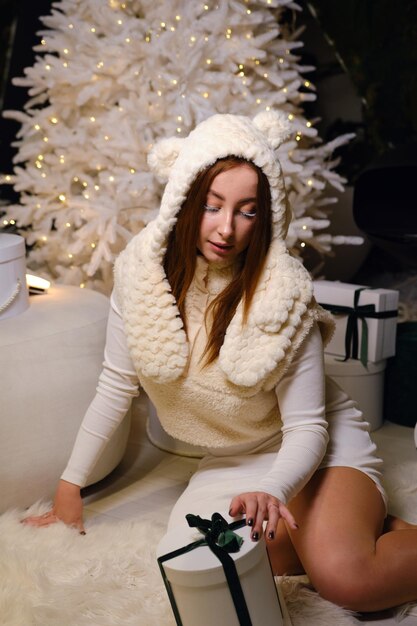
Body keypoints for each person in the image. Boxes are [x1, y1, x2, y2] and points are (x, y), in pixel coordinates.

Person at [24, 111, 417, 614]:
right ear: (184, 200)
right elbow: (115, 386)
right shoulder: (141, 280)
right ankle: (368, 530)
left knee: (346, 580)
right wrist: (68, 488)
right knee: (223, 562)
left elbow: (308, 427)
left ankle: (346, 532)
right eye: (212, 207)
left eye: (247, 212)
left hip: (313, 450)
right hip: (231, 460)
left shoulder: (283, 294)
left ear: (266, 216)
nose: (226, 229)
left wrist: (273, 489)